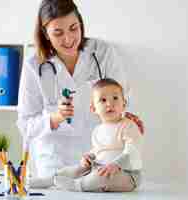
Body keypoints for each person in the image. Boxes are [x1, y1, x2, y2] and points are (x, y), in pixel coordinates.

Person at [17, 0, 144, 180]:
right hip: (54, 161)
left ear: (81, 24)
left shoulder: (102, 53)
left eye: (73, 28)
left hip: (99, 157)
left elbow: (124, 99)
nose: (68, 39)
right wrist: (56, 118)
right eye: (58, 33)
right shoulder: (34, 65)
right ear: (46, 33)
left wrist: (129, 122)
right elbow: (25, 125)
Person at [30, 78, 143, 192]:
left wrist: (116, 165)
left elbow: (132, 152)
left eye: (115, 98)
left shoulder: (128, 126)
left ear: (124, 104)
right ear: (94, 109)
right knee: (76, 169)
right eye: (103, 100)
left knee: (101, 177)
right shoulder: (98, 130)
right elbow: (98, 151)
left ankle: (77, 185)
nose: (110, 104)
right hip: (101, 168)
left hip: (126, 175)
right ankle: (48, 180)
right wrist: (89, 157)